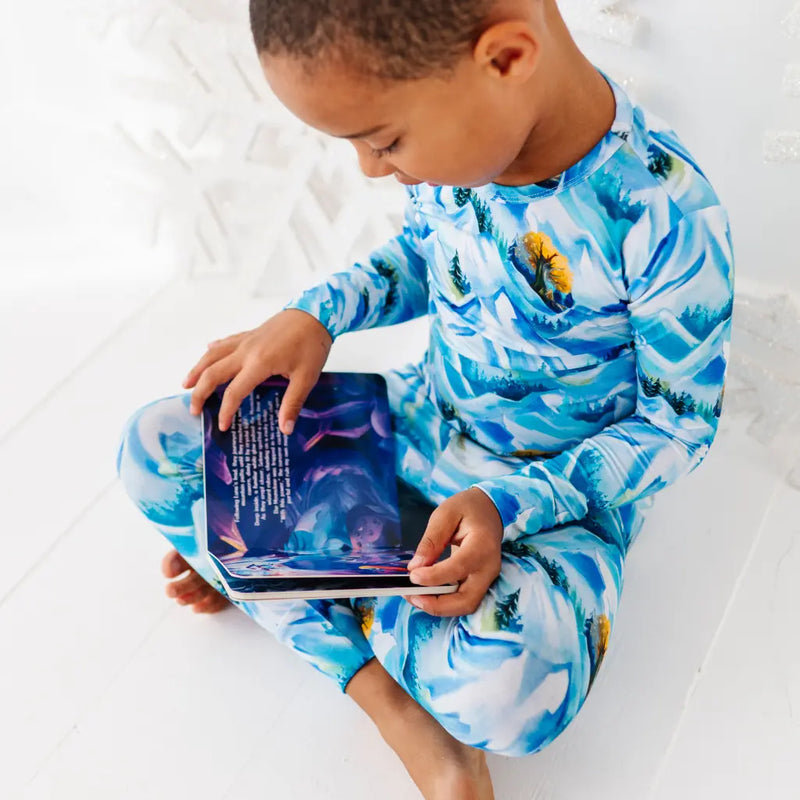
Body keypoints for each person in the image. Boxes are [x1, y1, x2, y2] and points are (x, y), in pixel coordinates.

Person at [116, 1, 734, 797]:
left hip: (545, 510)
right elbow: (423, 253)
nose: (373, 171)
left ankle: (289, 575)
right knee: (158, 445)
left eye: (386, 140)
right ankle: (393, 709)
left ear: (506, 59)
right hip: (413, 422)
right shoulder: (464, 154)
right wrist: (316, 315)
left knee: (506, 690)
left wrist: (504, 506)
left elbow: (678, 425)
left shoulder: (664, 215)